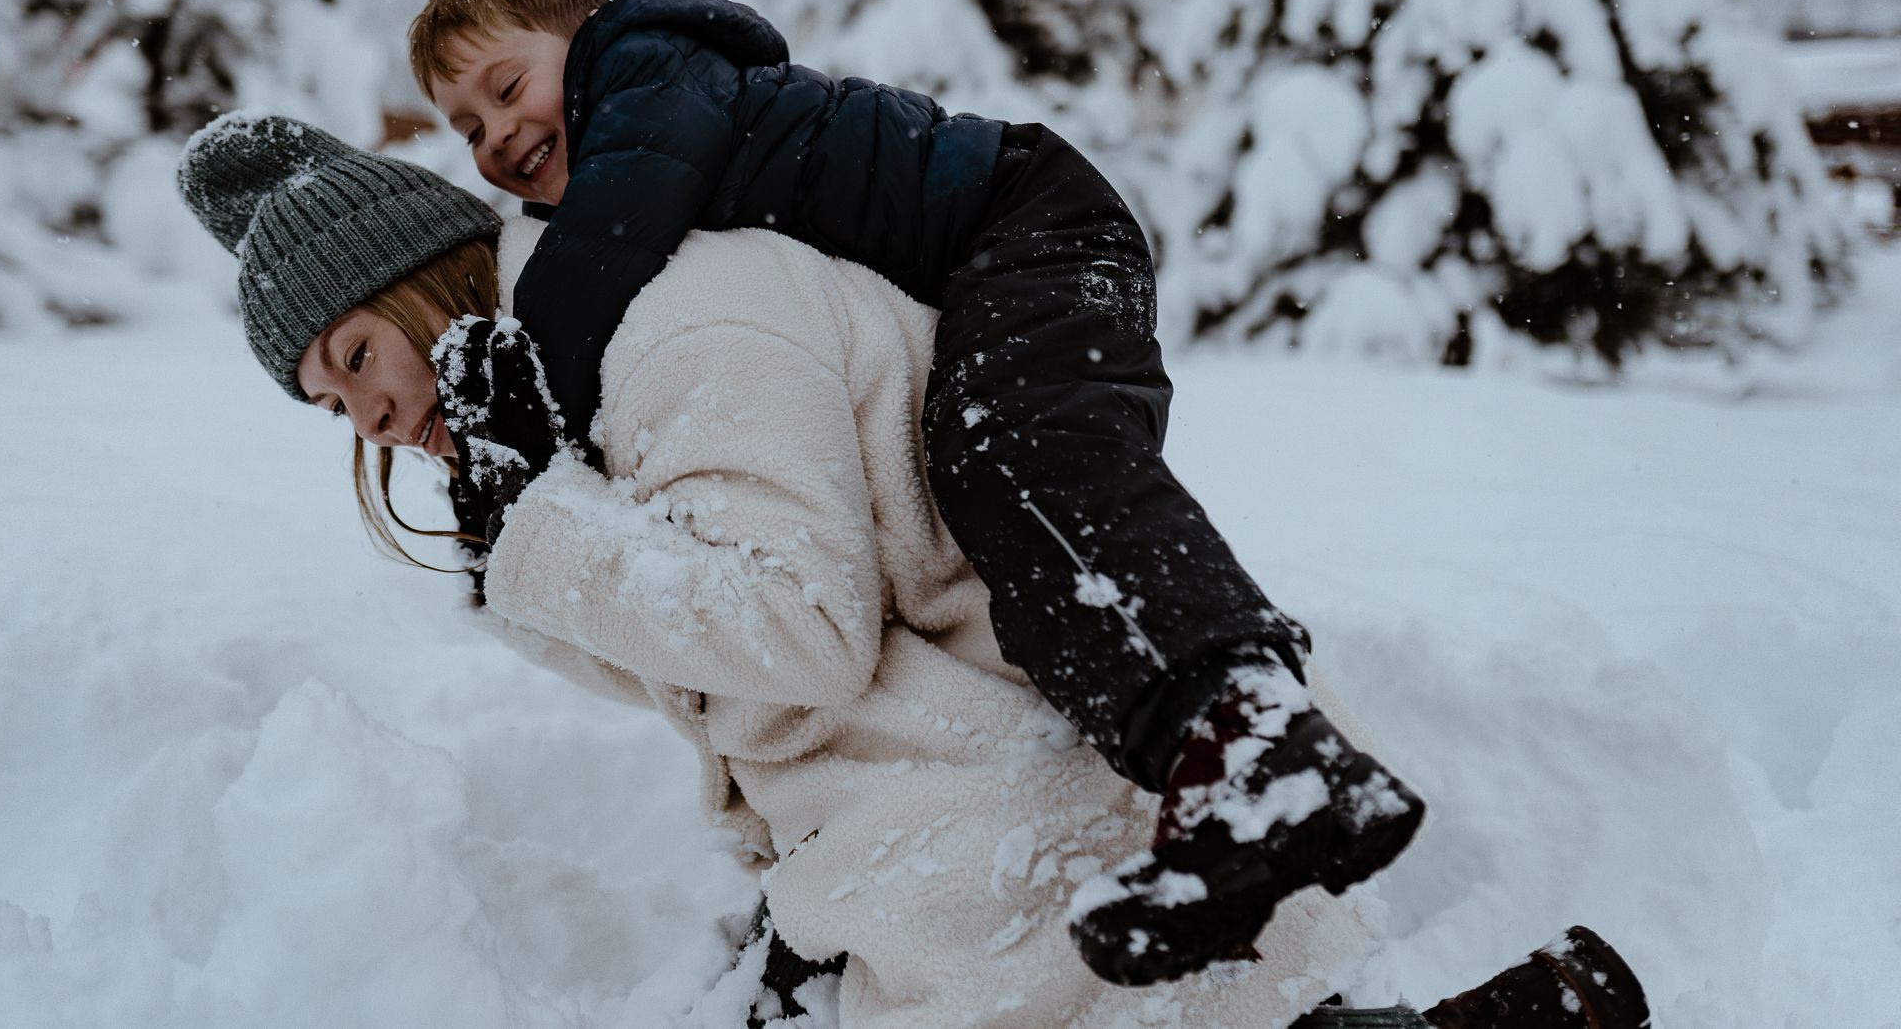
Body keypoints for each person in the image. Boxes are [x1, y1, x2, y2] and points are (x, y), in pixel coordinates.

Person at [172, 113, 1654, 1029]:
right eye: (327, 402)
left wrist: (548, 532)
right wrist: (527, 525)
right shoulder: (555, 409)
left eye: (356, 354)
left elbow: (798, 634)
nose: (361, 413)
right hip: (903, 760)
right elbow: (700, 668)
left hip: (1015, 731)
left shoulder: (678, 325)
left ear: (429, 280)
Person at [404, 0, 1414, 983]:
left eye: (508, 85)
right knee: (1016, 546)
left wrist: (523, 419)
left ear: (589, 38)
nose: (497, 136)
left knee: (1019, 463)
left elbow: (604, 250)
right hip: (992, 259)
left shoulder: (653, 84)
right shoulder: (632, 140)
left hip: (1033, 225)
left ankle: (1257, 749)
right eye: (466, 127)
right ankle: (1200, 790)